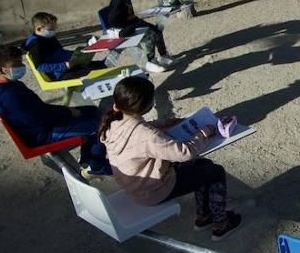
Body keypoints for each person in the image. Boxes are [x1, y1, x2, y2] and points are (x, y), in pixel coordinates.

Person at [99, 76, 243, 241]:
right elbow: (184, 152)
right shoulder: (147, 136)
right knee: (215, 172)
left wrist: (169, 122)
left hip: (138, 186)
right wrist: (205, 132)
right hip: (153, 191)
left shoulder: (113, 121)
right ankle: (221, 225)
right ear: (145, 106)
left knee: (205, 165)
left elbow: (143, 127)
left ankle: (204, 216)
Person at [0, 44, 110, 176]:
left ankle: (88, 160)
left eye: (20, 62)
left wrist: (67, 110)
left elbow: (38, 109)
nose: (21, 66)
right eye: (16, 63)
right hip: (41, 134)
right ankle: (97, 167)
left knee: (92, 110)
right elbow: (35, 119)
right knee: (99, 125)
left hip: (40, 125)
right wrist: (67, 112)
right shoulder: (8, 95)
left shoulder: (5, 86)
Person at [103, 0, 175, 73]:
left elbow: (130, 16)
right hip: (126, 29)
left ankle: (163, 55)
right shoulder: (117, 1)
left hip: (134, 23)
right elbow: (112, 22)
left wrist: (139, 22)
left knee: (157, 30)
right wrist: (122, 30)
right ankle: (149, 61)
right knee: (150, 35)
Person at [23, 11, 106, 81]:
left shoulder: (48, 36)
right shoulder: (36, 45)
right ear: (39, 29)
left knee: (99, 64)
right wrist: (63, 66)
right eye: (51, 29)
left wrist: (81, 53)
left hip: (67, 66)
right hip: (60, 74)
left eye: (54, 29)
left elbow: (60, 52)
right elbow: (39, 66)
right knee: (95, 70)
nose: (53, 32)